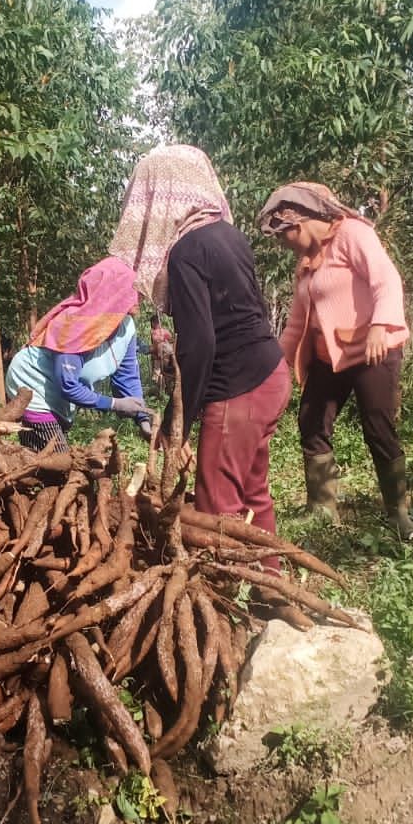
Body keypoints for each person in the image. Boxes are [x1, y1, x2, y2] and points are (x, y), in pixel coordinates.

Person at [110, 145, 289, 541]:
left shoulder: (186, 251)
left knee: (217, 502)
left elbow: (201, 343)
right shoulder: (230, 235)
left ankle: (222, 597)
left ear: (161, 196)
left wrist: (180, 426)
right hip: (271, 374)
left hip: (239, 388)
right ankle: (268, 589)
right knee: (254, 492)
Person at [259, 179, 413, 536]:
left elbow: (386, 281)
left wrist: (380, 324)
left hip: (371, 350)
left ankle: (399, 513)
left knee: (378, 427)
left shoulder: (353, 235)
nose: (283, 244)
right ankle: (323, 509)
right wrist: (277, 365)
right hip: (328, 359)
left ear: (299, 224)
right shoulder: (305, 262)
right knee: (312, 422)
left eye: (284, 235)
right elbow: (298, 323)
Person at [4, 258, 152, 451]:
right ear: (114, 292)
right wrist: (114, 404)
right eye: (132, 290)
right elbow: (68, 385)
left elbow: (127, 376)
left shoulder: (126, 326)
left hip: (61, 397)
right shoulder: (73, 326)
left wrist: (143, 418)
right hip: (32, 386)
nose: (138, 297)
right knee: (56, 461)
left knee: (51, 455)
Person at [149, 313, 174, 393]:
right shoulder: (154, 332)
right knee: (157, 372)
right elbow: (155, 340)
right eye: (155, 322)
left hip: (166, 355)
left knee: (165, 371)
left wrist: (164, 339)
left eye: (157, 322)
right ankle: (160, 389)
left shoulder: (164, 331)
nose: (157, 324)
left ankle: (167, 388)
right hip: (157, 356)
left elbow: (170, 338)